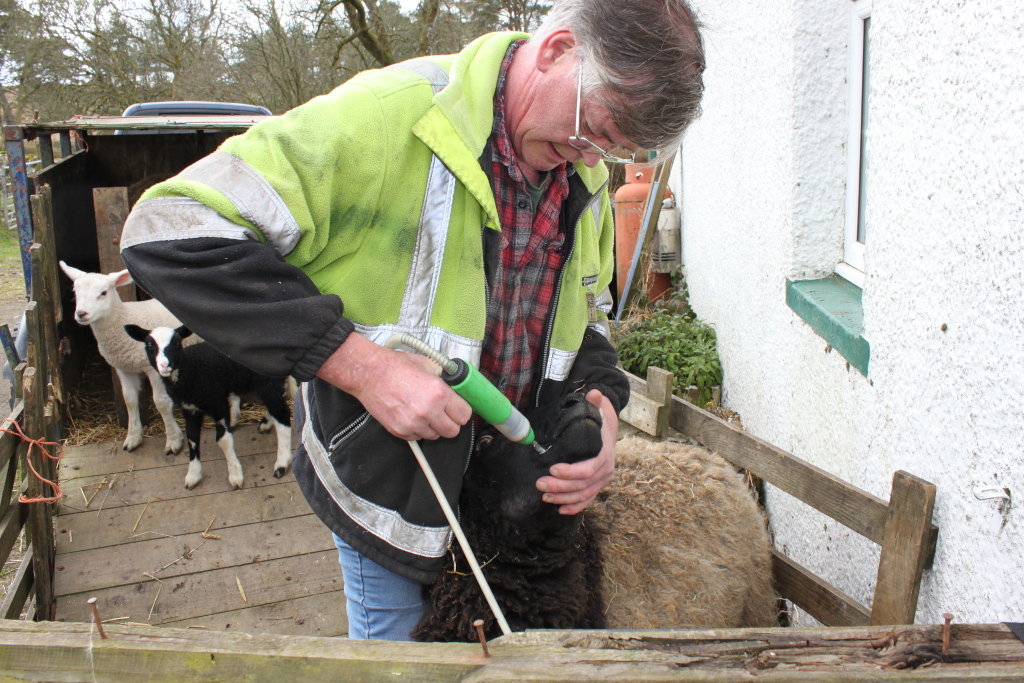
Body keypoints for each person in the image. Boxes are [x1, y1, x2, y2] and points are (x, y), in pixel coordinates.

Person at [119, 0, 705, 641]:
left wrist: (603, 409)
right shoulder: (382, 117)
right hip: (394, 496)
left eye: (611, 147)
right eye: (593, 128)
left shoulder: (580, 168)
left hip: (509, 513)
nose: (588, 156)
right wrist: (363, 367)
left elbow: (582, 323)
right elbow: (166, 228)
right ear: (557, 49)